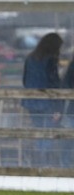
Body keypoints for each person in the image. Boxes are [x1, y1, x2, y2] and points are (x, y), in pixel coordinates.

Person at [22, 32, 62, 168]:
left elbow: (25, 80)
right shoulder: (50, 59)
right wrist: (58, 107)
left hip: (31, 101)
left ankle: (38, 162)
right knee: (48, 132)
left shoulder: (30, 58)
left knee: (39, 130)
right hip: (47, 102)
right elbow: (53, 83)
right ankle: (45, 163)